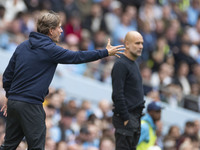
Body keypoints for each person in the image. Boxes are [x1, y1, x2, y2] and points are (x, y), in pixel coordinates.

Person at [0, 11, 124, 150]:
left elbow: (8, 76)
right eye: (59, 27)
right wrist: (105, 52)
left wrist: (10, 97)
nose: (61, 30)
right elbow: (77, 57)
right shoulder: (50, 49)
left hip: (14, 103)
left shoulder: (22, 46)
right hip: (31, 105)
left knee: (8, 146)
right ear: (51, 30)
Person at [111, 31, 145, 150]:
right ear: (127, 44)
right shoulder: (121, 64)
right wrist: (126, 118)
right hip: (126, 119)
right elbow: (117, 94)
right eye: (137, 43)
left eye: (142, 43)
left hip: (134, 118)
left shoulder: (134, 63)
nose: (141, 46)